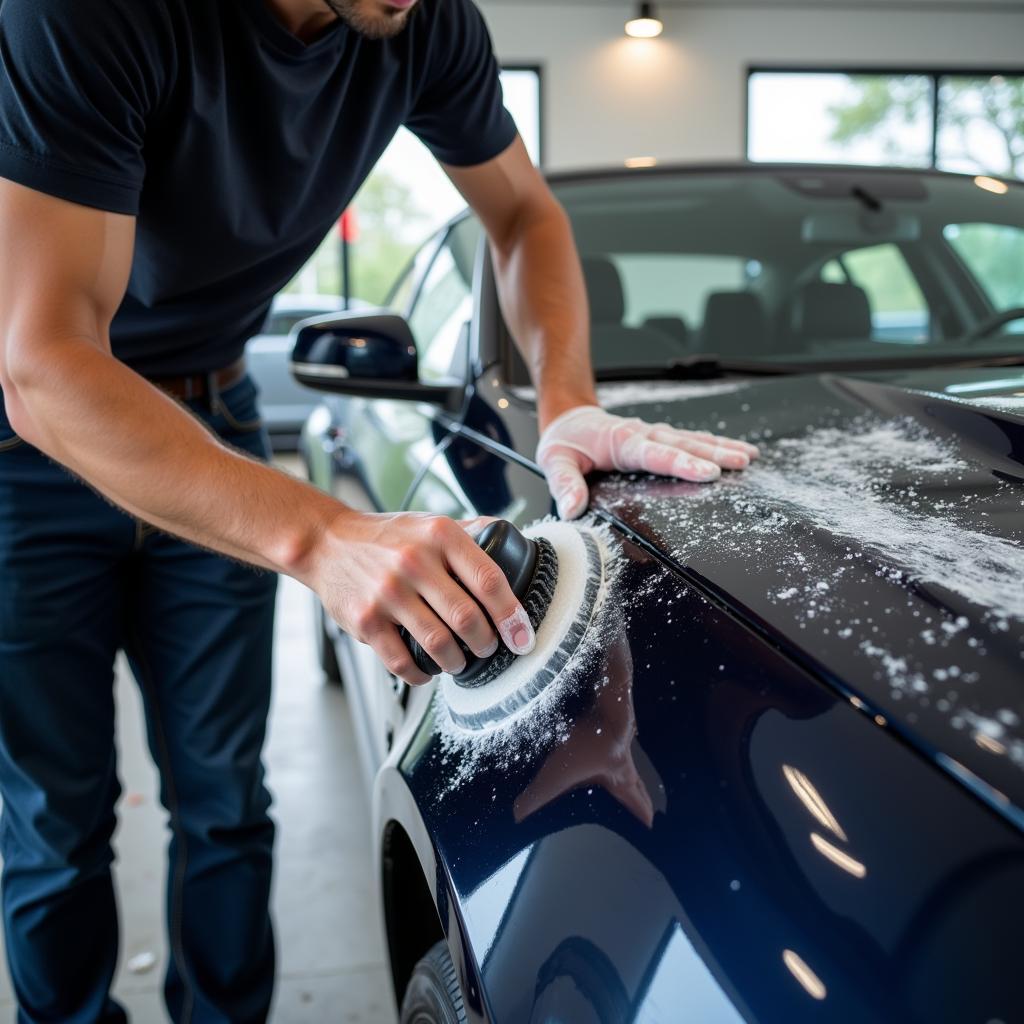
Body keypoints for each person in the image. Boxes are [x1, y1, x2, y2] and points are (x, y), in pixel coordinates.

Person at [0, 0, 758, 1018]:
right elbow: (46, 362)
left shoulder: (428, 24)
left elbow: (526, 215)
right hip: (31, 444)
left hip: (212, 407)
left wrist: (566, 400)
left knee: (224, 804)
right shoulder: (89, 16)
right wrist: (321, 534)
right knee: (55, 820)